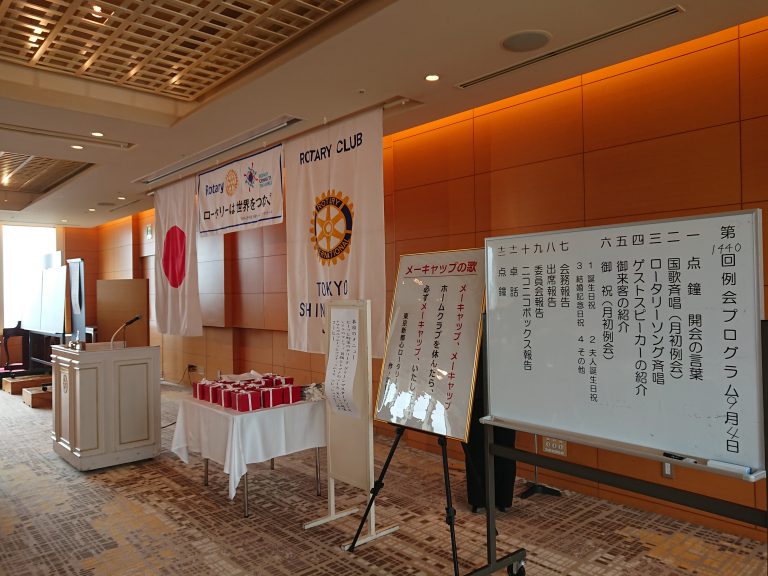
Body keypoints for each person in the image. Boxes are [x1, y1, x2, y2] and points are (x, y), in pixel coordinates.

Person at [462, 360, 516, 512]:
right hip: (476, 384)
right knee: (475, 444)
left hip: (505, 384)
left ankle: (502, 498)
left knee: (504, 444)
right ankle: (479, 499)